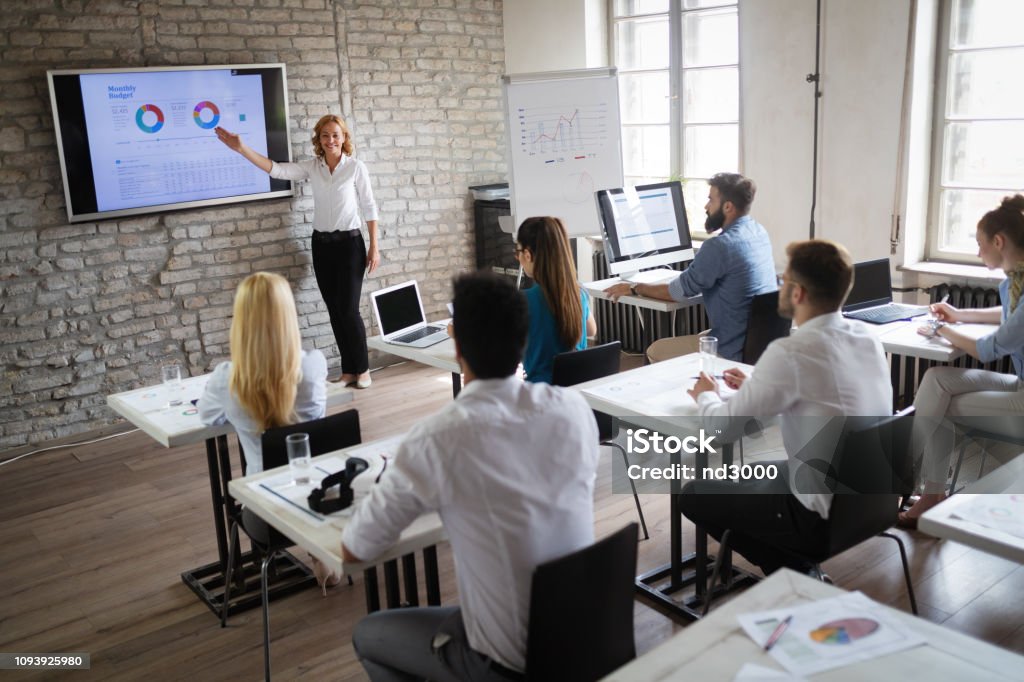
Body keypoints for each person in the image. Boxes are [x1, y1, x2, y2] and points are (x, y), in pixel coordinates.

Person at [342, 272, 600, 681]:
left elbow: (356, 549)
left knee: (367, 635)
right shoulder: (573, 409)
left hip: (508, 662)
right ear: (524, 341)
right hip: (584, 638)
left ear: (457, 347)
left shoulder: (437, 438)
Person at [682, 240, 892, 575]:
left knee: (693, 493)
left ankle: (796, 575)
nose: (779, 284)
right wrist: (756, 388)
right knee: (750, 472)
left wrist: (705, 394)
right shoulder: (868, 338)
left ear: (797, 293)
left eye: (784, 279)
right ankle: (797, 572)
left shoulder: (791, 351)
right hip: (872, 501)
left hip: (817, 518)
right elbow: (824, 400)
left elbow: (720, 430)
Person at [215, 114, 378, 389]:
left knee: (349, 310)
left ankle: (363, 370)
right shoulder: (313, 167)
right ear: (319, 139)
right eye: (325, 135)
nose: (331, 140)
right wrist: (241, 148)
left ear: (344, 138)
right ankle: (349, 371)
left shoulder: (355, 168)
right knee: (335, 310)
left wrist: (375, 246)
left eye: (336, 135)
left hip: (350, 245)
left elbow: (370, 206)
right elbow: (277, 170)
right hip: (321, 246)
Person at [897, 195, 1024, 528]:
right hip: (1019, 384)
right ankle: (927, 491)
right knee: (936, 381)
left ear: (999, 241)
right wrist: (958, 315)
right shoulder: (1015, 280)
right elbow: (1009, 317)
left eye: (981, 244)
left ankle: (923, 490)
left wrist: (941, 329)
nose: (979, 252)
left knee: (938, 407)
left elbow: (990, 348)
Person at [604, 172, 776, 362]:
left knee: (655, 349)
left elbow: (674, 293)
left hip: (730, 349)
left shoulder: (719, 246)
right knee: (703, 334)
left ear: (728, 206)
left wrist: (634, 288)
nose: (706, 206)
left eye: (711, 200)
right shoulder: (758, 233)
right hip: (758, 344)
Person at [197, 271, 327, 475]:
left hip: (260, 492)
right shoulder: (313, 365)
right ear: (288, 314)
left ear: (241, 320)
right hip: (313, 482)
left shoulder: (226, 378)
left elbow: (208, 416)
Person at [515, 216, 597, 384]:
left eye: (518, 252)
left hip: (540, 397)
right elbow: (591, 331)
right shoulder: (579, 292)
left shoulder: (523, 302)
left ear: (528, 255)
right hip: (577, 394)